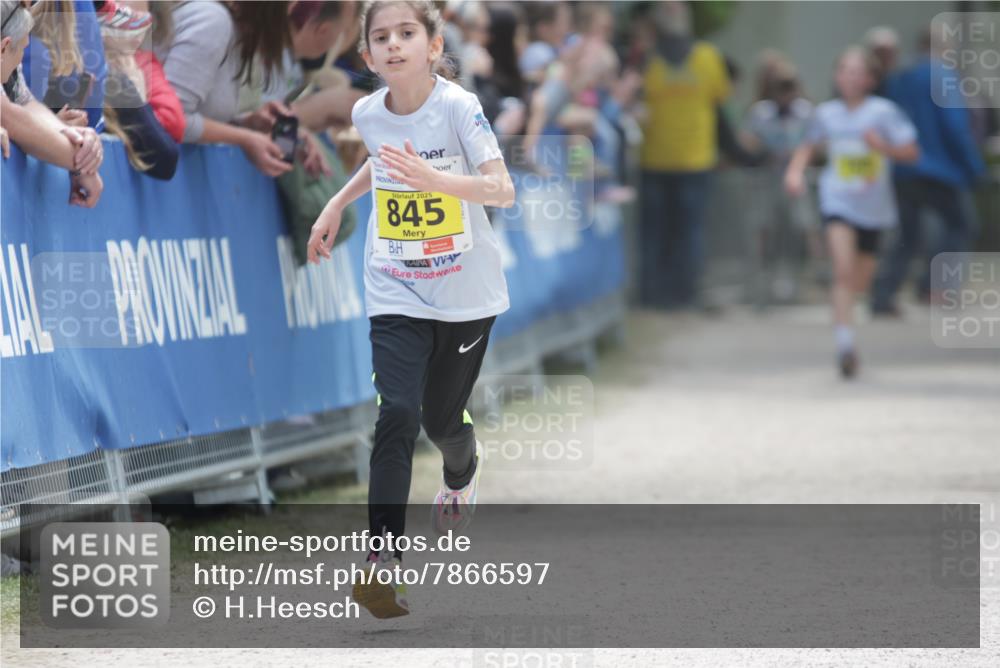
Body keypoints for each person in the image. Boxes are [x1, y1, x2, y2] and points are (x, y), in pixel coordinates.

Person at [306, 0, 515, 619]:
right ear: (366, 55)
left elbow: (500, 187)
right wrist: (337, 204)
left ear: (433, 44)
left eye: (407, 33)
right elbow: (382, 160)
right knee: (396, 411)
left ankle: (462, 468)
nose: (394, 45)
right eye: (380, 37)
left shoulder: (457, 106)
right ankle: (382, 559)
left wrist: (433, 180)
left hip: (465, 292)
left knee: (441, 421)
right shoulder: (367, 111)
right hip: (395, 284)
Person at [784, 46, 918, 378]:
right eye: (845, 69)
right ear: (836, 75)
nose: (850, 77)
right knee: (842, 271)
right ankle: (845, 345)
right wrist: (795, 172)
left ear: (871, 79)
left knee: (859, 281)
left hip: (873, 207)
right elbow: (807, 145)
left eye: (858, 71)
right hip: (837, 201)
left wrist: (882, 148)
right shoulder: (826, 114)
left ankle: (847, 318)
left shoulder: (884, 113)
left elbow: (912, 152)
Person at [871, 30, 986, 315]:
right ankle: (936, 287)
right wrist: (973, 166)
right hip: (940, 169)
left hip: (903, 167)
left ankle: (883, 295)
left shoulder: (899, 78)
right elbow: (954, 126)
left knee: (907, 235)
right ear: (944, 48)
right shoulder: (943, 75)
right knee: (961, 225)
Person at [637, 0, 731, 309]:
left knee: (656, 233)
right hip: (694, 160)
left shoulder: (647, 61)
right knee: (689, 232)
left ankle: (654, 295)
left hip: (657, 160)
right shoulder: (707, 58)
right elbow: (720, 110)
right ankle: (685, 294)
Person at [2, 0, 103, 207]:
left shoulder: (12, 17)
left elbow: (24, 101)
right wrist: (80, 160)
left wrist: (72, 135)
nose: (20, 59)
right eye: (20, 50)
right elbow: (7, 114)